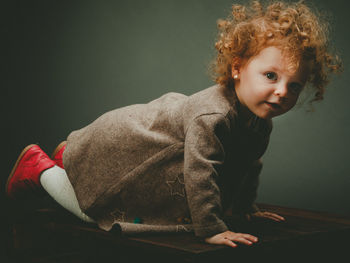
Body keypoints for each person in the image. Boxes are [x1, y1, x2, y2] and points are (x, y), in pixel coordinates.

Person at [6, 0, 341, 248]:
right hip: (125, 142)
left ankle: (73, 155)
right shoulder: (215, 115)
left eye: (294, 85)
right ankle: (39, 167)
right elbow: (200, 171)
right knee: (92, 213)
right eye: (270, 76)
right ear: (238, 68)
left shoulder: (258, 123)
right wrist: (210, 228)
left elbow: (248, 163)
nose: (282, 91)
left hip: (144, 145)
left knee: (102, 177)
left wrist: (244, 209)